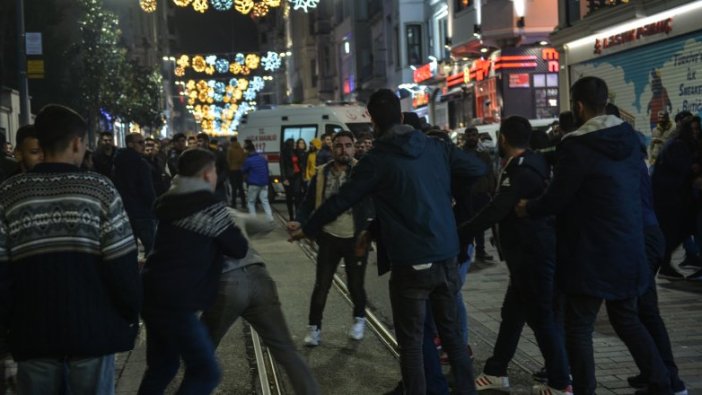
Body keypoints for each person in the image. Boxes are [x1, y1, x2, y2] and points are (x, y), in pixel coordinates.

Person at [289, 89, 485, 395]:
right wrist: (446, 192)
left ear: (372, 119)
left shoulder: (376, 160)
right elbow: (477, 169)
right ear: (402, 114)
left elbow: (342, 199)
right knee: (453, 339)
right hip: (446, 255)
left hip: (411, 262)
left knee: (412, 345)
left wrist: (308, 227)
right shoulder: (435, 147)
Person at [515, 76, 671, 395]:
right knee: (627, 318)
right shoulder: (629, 138)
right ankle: (662, 382)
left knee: (579, 326)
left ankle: (585, 390)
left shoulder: (576, 145)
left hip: (591, 249)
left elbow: (558, 198)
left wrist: (528, 207)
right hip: (629, 244)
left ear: (579, 106)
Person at [0, 104, 141, 394]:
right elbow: (122, 265)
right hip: (92, 333)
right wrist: (130, 315)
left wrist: (8, 329)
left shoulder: (10, 194)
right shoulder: (100, 190)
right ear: (77, 143)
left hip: (32, 334)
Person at [461, 116, 571, 395]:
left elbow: (497, 209)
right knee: (512, 315)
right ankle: (496, 371)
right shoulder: (530, 162)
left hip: (532, 256)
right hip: (525, 258)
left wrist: (460, 232)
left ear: (503, 139)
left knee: (542, 318)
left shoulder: (522, 170)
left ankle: (560, 382)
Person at [138, 148, 248, 395]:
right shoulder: (207, 206)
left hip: (152, 294)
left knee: (161, 368)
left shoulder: (169, 200)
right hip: (178, 302)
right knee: (206, 372)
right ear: (208, 175)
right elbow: (238, 247)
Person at [201, 211, 321, 395]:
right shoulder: (226, 212)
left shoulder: (185, 218)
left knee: (202, 348)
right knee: (286, 349)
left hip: (226, 285)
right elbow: (266, 223)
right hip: (259, 278)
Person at [288, 131, 374, 346]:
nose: (343, 150)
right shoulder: (321, 173)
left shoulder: (363, 172)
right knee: (322, 285)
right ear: (332, 148)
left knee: (355, 285)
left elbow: (374, 204)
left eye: (347, 145)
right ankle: (314, 328)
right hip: (328, 237)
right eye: (338, 146)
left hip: (356, 237)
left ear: (354, 148)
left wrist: (370, 230)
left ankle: (359, 319)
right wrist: (299, 220)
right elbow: (308, 204)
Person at [113, 132, 157, 255]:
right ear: (130, 144)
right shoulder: (140, 163)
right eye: (140, 142)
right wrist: (153, 206)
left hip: (125, 211)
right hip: (142, 212)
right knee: (152, 249)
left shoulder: (117, 162)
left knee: (130, 250)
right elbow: (147, 189)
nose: (144, 145)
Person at [242, 140, 274, 222]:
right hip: (264, 183)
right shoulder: (262, 158)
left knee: (251, 202)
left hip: (254, 183)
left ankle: (253, 220)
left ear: (247, 151)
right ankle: (270, 218)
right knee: (265, 201)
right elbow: (266, 170)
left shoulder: (248, 160)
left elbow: (243, 170)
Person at [196, 133, 229, 203]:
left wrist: (217, 181)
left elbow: (225, 170)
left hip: (217, 188)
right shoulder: (195, 155)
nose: (198, 143)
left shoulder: (218, 154)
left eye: (200, 141)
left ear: (207, 142)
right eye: (197, 141)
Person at [227, 136, 247, 209]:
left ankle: (233, 203)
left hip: (232, 170)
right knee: (241, 187)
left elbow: (228, 160)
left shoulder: (230, 149)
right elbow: (244, 159)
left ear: (231, 141)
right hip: (240, 170)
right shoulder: (241, 149)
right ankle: (244, 203)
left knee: (234, 188)